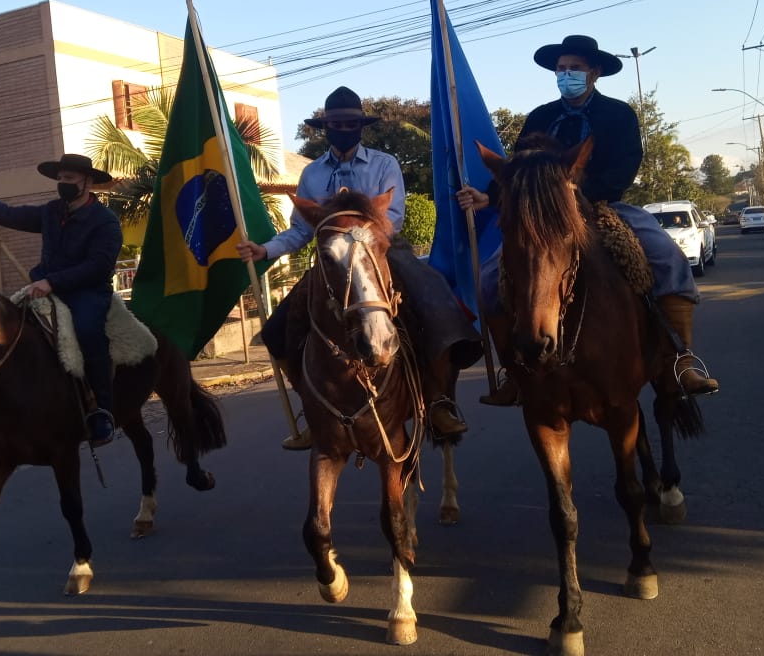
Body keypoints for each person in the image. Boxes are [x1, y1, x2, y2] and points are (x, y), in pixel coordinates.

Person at [457, 34, 719, 403]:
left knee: (667, 256)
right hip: (547, 219)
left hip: (604, 206)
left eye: (574, 69)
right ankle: (515, 372)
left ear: (594, 73)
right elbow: (518, 172)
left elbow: (626, 165)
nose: (566, 74)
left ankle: (682, 360)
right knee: (487, 279)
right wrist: (489, 196)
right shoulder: (540, 117)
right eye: (561, 69)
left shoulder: (618, 114)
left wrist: (582, 195)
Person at [236, 86, 483, 448]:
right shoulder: (312, 173)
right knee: (276, 333)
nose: (342, 128)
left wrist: (362, 235)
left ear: (360, 126)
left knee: (438, 308)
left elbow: (394, 217)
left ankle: (439, 402)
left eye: (349, 122)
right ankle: (313, 411)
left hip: (383, 252)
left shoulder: (385, 164)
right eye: (335, 123)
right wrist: (264, 249)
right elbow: (300, 230)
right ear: (325, 127)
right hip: (333, 261)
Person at [0, 153, 124, 446]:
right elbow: (5, 214)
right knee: (4, 333)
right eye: (60, 178)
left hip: (87, 292)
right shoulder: (50, 212)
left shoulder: (105, 221)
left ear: (87, 182)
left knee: (88, 332)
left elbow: (98, 265)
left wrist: (52, 281)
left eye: (69, 179)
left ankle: (102, 412)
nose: (63, 183)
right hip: (43, 289)